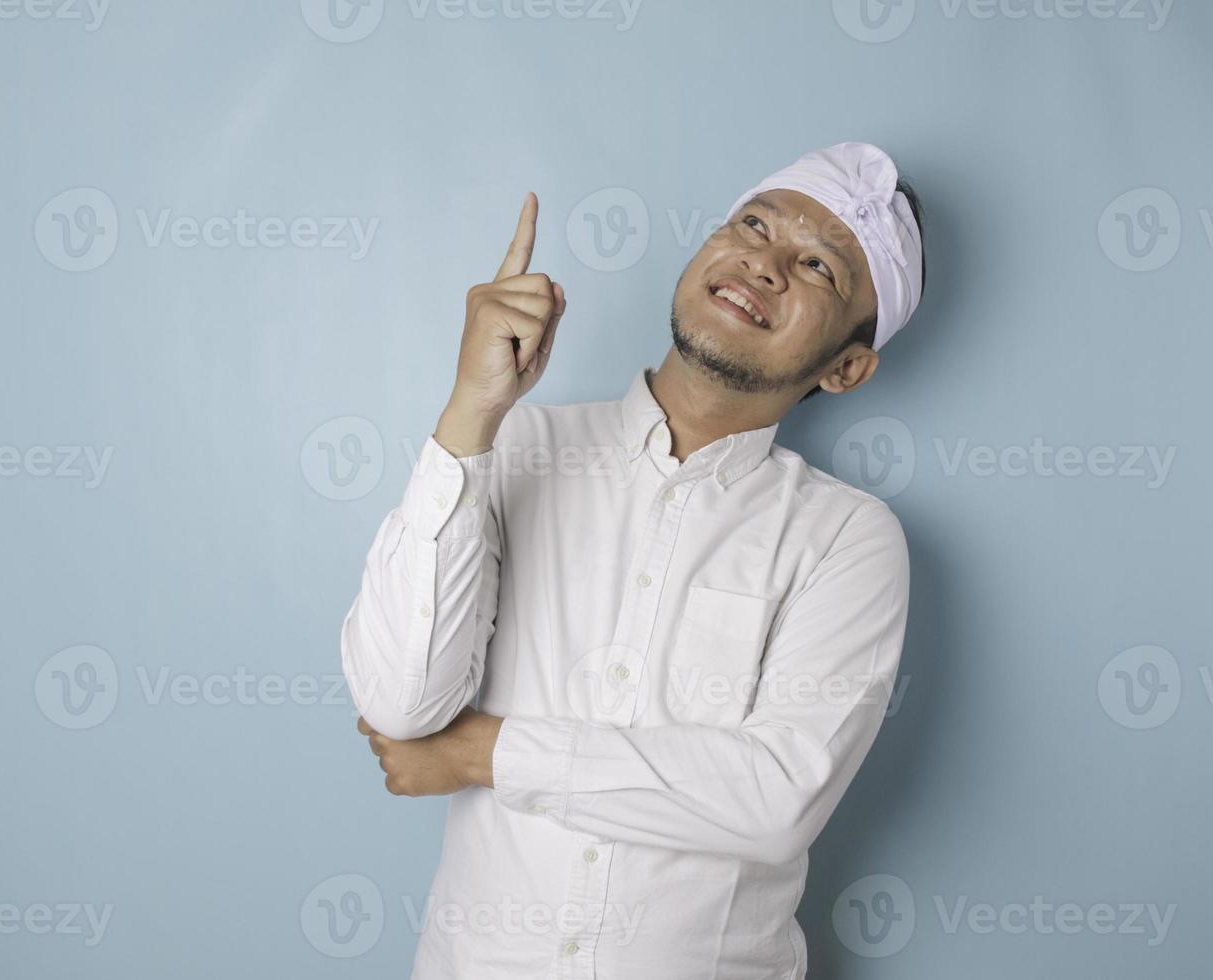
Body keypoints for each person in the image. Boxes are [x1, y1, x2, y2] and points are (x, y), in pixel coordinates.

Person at [342, 141, 926, 979]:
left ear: (847, 367)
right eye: (751, 225)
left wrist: (484, 753)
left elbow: (773, 797)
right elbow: (401, 706)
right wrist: (469, 413)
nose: (763, 263)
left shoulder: (847, 539)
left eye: (817, 268)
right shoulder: (509, 448)